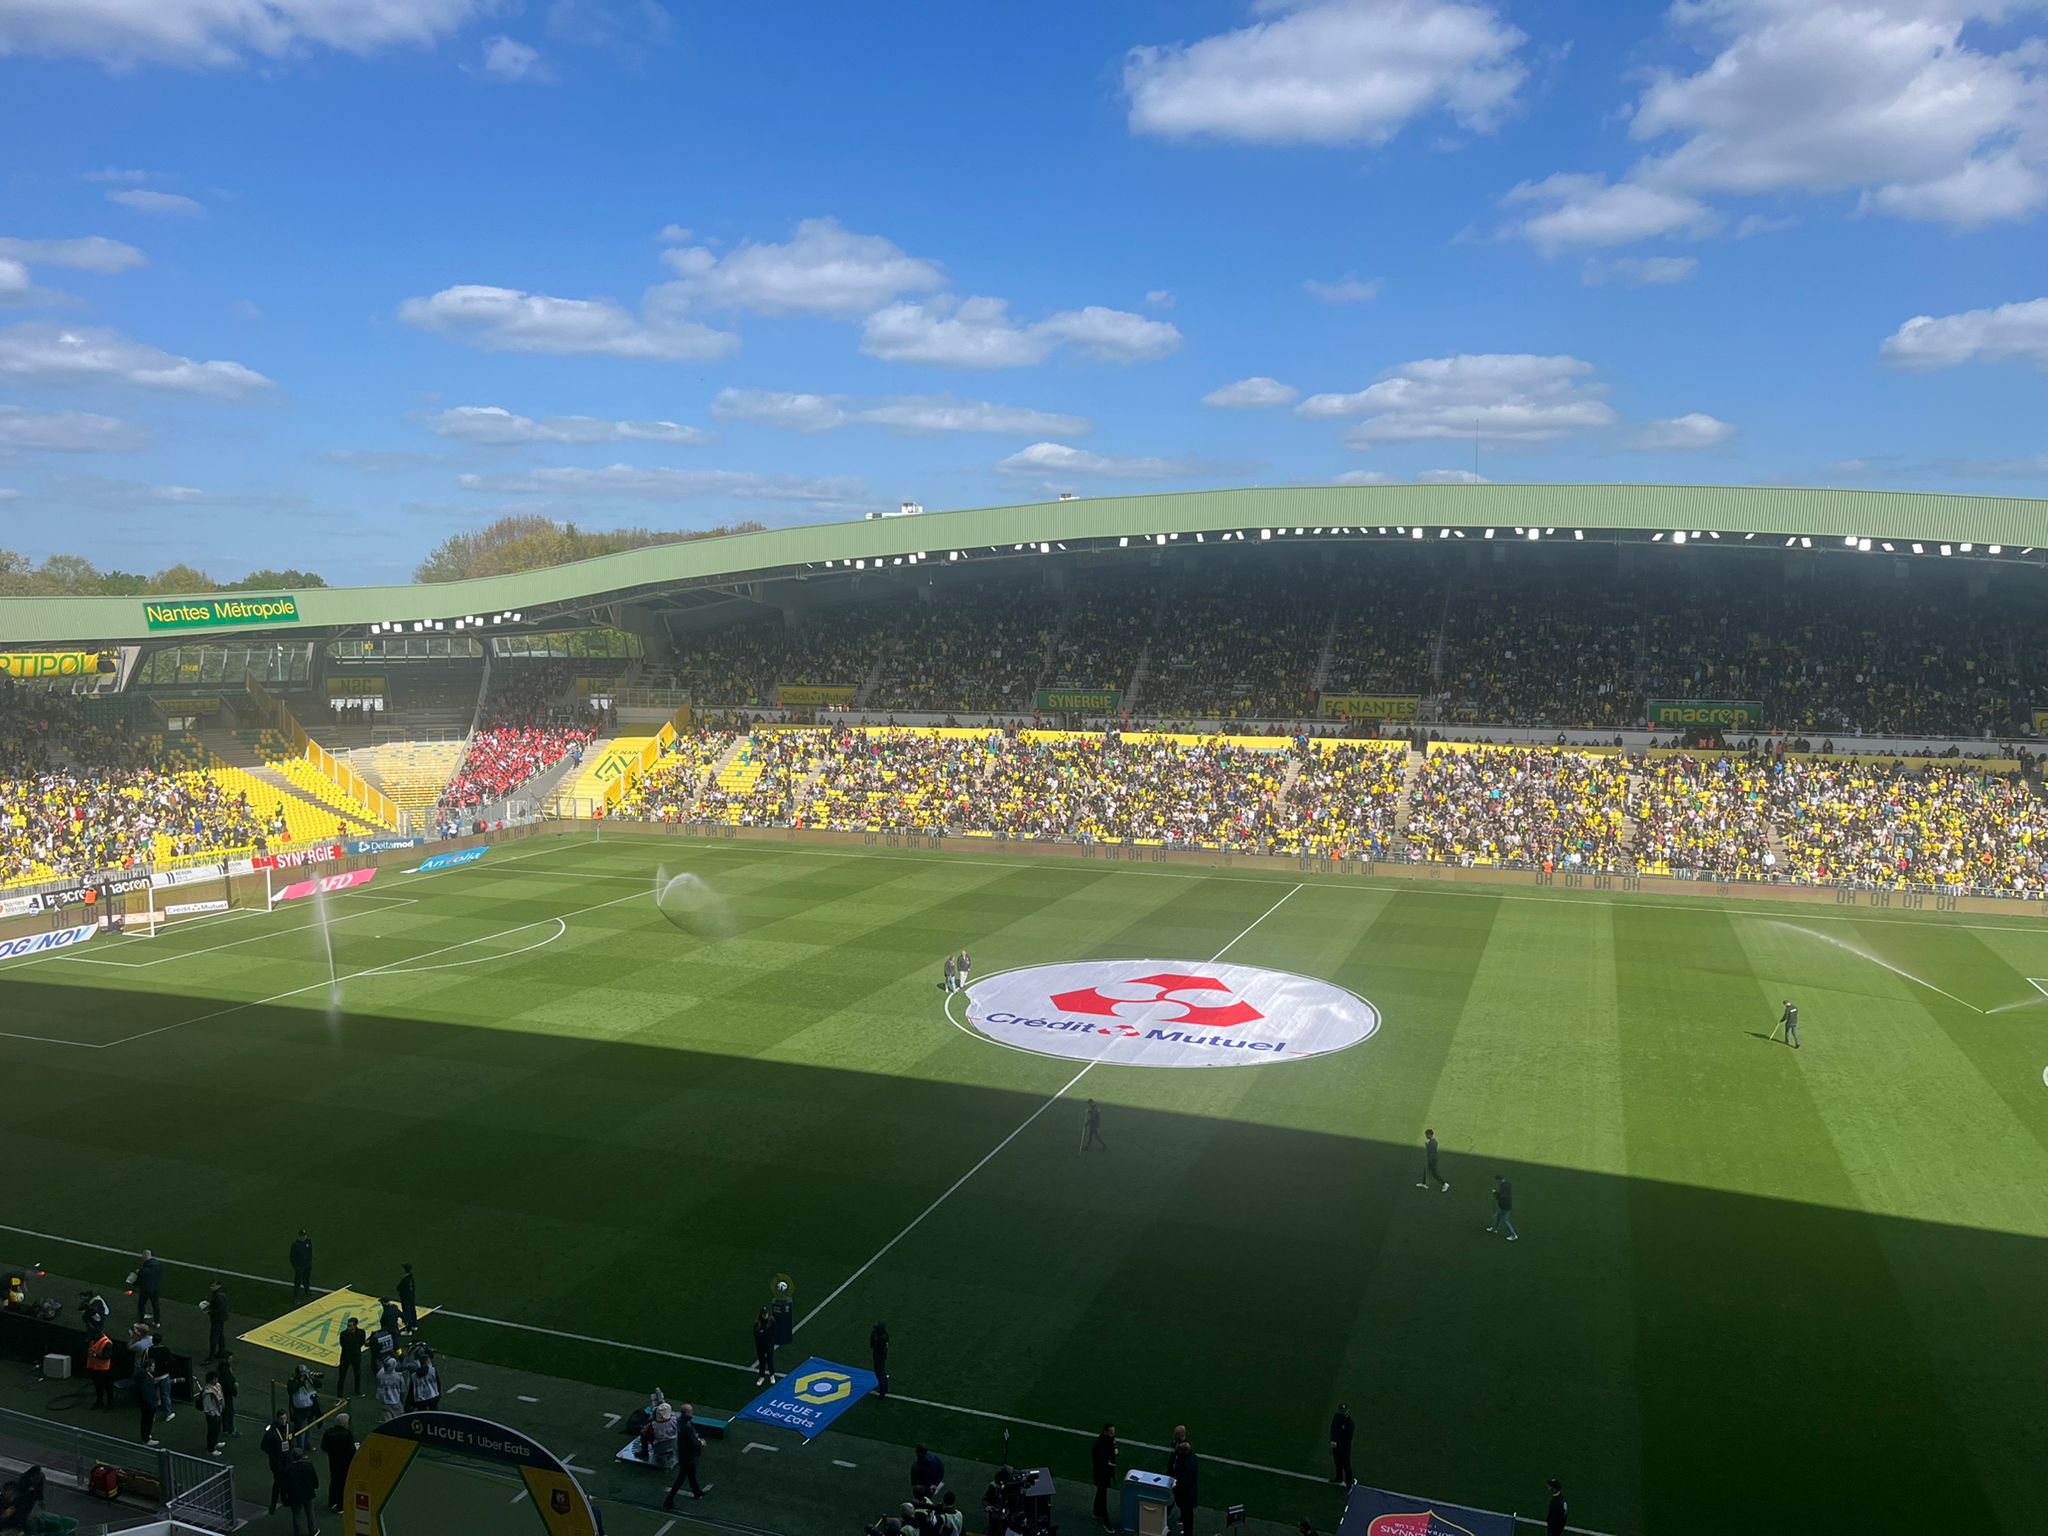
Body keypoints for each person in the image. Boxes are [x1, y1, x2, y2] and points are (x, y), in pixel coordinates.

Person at [662, 1403, 708, 1507]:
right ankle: (669, 1500)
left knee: (691, 1474)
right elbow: (692, 1440)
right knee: (681, 1477)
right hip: (688, 1455)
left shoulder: (680, 1421)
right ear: (687, 1413)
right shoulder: (686, 1425)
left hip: (684, 1453)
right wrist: (701, 1443)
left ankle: (697, 1492)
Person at [321, 1412, 357, 1512]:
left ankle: (331, 1502)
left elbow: (323, 1447)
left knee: (334, 1481)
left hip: (333, 1461)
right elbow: (351, 1451)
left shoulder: (329, 1433)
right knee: (343, 1484)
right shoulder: (347, 1435)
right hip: (345, 1463)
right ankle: (340, 1506)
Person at [1166, 1432, 1198, 1536]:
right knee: (1187, 1515)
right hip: (1186, 1493)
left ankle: (1188, 1533)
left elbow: (1184, 1480)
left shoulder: (1187, 1464)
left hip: (1185, 1494)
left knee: (1187, 1515)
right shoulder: (1191, 1459)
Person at [282, 1448, 320, 1536]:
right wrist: (315, 1486)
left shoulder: (288, 1469)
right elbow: (314, 1478)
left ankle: (297, 1532)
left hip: (294, 1496)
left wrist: (285, 1498)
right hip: (308, 1494)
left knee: (296, 1515)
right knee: (310, 1512)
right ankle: (313, 1530)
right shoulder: (308, 1465)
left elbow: (284, 1486)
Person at [261, 1411, 292, 1513]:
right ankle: (273, 1504)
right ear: (277, 1419)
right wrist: (274, 1452)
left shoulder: (290, 1427)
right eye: (281, 1419)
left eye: (285, 1418)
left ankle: (284, 1498)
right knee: (278, 1482)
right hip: (276, 1462)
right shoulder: (271, 1432)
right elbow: (263, 1446)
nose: (284, 1421)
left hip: (287, 1459)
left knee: (286, 1479)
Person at [1091, 1423, 1119, 1531]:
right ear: (1106, 1432)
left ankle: (1096, 1512)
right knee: (1103, 1497)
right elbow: (1098, 1461)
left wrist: (1115, 1451)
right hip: (1101, 1475)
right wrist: (1108, 1463)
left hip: (1105, 1474)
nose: (1113, 1434)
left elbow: (1113, 1447)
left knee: (1100, 1493)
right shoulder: (1099, 1445)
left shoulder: (1108, 1440)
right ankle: (1106, 1522)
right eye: (1111, 1432)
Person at [86, 1324, 116, 1407]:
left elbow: (108, 1355)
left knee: (107, 1387)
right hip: (95, 1367)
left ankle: (110, 1404)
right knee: (98, 1386)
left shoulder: (107, 1342)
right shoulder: (93, 1339)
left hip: (104, 1370)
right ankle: (99, 1401)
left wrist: (97, 1356)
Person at [137, 1358, 163, 1446]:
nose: (154, 1367)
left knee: (147, 1420)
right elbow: (147, 1393)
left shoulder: (145, 1376)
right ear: (148, 1368)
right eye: (152, 1366)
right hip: (148, 1404)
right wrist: (152, 1404)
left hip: (148, 1403)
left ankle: (146, 1435)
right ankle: (146, 1439)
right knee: (147, 1421)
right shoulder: (145, 1379)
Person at [406, 1345, 441, 1411]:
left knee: (422, 1416)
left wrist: (409, 1405)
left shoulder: (413, 1376)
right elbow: (438, 1383)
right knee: (435, 1415)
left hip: (420, 1400)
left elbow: (411, 1392)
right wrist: (439, 1395)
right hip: (433, 1396)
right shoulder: (433, 1371)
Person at [337, 1317, 366, 1394]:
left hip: (356, 1357)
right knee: (342, 1377)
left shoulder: (361, 1333)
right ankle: (339, 1395)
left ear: (355, 1325)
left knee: (357, 1374)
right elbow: (343, 1345)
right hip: (345, 1357)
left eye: (350, 1326)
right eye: (348, 1325)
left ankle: (357, 1391)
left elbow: (362, 1342)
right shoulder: (343, 1334)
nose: (348, 1327)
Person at [1329, 1403, 1355, 1487]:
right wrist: (1333, 1440)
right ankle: (1339, 1478)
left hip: (1344, 1447)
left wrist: (1337, 1443)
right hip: (1336, 1445)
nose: (1342, 1412)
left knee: (1346, 1464)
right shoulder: (1337, 1416)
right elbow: (1333, 1428)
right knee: (1338, 1463)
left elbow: (1346, 1439)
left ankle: (1349, 1482)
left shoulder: (1350, 1423)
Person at [132, 1249, 162, 1323]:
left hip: (145, 1289)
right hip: (155, 1288)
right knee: (155, 1305)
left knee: (141, 1304)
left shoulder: (144, 1269)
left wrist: (134, 1283)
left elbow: (140, 1279)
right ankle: (157, 1321)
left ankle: (141, 1321)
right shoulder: (157, 1264)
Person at [1487, 1174, 1519, 1241]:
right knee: (1498, 1216)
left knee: (1505, 1220)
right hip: (1505, 1205)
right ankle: (1494, 1229)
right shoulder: (1507, 1184)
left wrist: (1495, 1193)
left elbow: (1502, 1196)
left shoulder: (1503, 1186)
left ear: (1498, 1180)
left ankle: (1513, 1235)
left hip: (1504, 1206)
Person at [375, 1357, 406, 1423]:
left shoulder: (380, 1376)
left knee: (388, 1422)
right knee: (399, 1421)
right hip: (396, 1402)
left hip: (385, 1402)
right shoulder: (399, 1376)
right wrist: (403, 1401)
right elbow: (403, 1391)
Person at [752, 1307, 777, 1387]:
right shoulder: (758, 1323)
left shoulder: (771, 1321)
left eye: (766, 1313)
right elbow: (756, 1335)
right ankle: (761, 1376)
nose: (765, 1315)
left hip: (769, 1344)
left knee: (770, 1360)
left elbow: (773, 1332)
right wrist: (764, 1333)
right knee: (762, 1361)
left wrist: (763, 1333)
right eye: (763, 1314)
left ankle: (772, 1375)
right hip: (760, 1345)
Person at [1418, 1129, 1448, 1194]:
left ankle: (1444, 1184)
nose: (1426, 1136)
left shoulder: (1431, 1143)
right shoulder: (1434, 1142)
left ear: (1429, 1135)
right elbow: (1435, 1151)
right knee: (1426, 1169)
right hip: (1433, 1159)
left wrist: (1427, 1146)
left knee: (1434, 1173)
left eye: (1426, 1135)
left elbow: (1431, 1153)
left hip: (1432, 1160)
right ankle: (1424, 1183)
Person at [205, 1278, 229, 1360]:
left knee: (214, 1338)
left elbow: (219, 1309)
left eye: (213, 1286)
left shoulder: (217, 1295)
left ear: (218, 1286)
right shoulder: (220, 1293)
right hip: (221, 1318)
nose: (211, 1288)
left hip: (217, 1319)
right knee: (220, 1336)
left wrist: (209, 1311)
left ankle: (211, 1357)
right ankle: (221, 1352)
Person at [218, 1353, 240, 1440]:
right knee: (229, 1411)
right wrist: (234, 1391)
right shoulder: (225, 1370)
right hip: (226, 1394)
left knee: (226, 1411)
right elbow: (227, 1383)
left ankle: (226, 1428)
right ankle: (229, 1429)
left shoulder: (222, 1368)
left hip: (224, 1393)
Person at [290, 1230, 314, 1297]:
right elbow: (292, 1257)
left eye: (304, 1235)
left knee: (306, 1280)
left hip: (307, 1265)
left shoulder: (308, 1242)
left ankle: (307, 1292)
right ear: (299, 1236)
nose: (304, 1237)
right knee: (297, 1282)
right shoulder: (295, 1245)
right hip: (299, 1267)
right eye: (302, 1236)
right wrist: (296, 1267)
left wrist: (309, 1262)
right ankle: (296, 1296)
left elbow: (310, 1252)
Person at [870, 1321, 890, 1399]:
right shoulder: (885, 1335)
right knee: (882, 1372)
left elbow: (873, 1345)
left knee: (879, 1374)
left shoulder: (880, 1338)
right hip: (882, 1356)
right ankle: (885, 1388)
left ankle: (882, 1392)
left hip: (878, 1356)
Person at [397, 1263, 418, 1332]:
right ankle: (414, 1325)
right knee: (412, 1311)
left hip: (405, 1298)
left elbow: (399, 1288)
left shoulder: (405, 1280)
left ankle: (408, 1329)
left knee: (407, 1312)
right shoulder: (412, 1279)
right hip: (412, 1297)